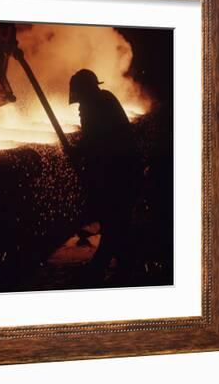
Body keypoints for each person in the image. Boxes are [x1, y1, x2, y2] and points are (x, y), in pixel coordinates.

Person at [69, 69, 141, 284]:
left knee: (114, 224)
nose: (79, 106)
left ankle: (102, 271)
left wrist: (78, 151)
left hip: (118, 174)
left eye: (80, 97)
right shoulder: (105, 99)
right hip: (125, 171)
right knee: (117, 225)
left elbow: (98, 139)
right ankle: (120, 266)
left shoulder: (95, 106)